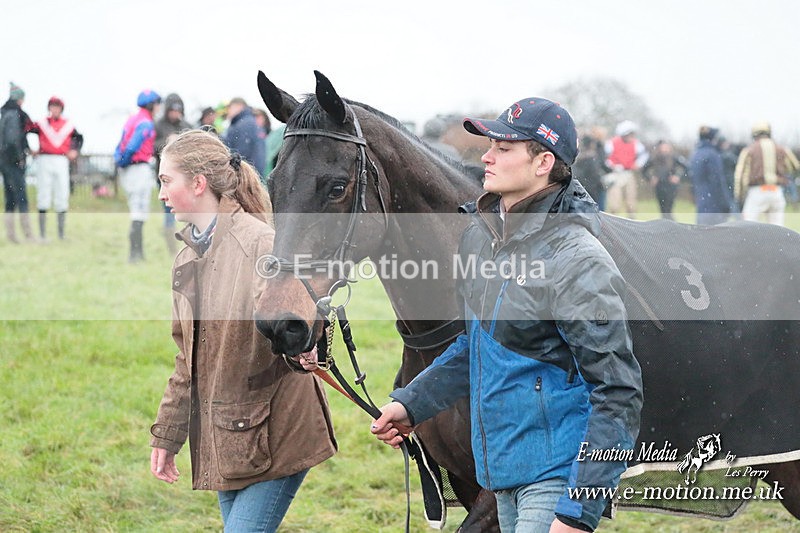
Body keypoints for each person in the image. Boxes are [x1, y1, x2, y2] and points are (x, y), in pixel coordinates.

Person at [371, 98, 643, 532]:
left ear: (544, 162)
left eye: (504, 148)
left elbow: (617, 391)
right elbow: (477, 347)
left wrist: (577, 509)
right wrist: (412, 403)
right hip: (500, 476)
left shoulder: (577, 258)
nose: (486, 156)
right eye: (490, 145)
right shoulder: (480, 241)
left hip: (553, 483)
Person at [149, 129, 336, 532]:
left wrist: (306, 343)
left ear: (198, 183)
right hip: (229, 434)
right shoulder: (186, 258)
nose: (160, 193)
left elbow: (297, 320)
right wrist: (167, 435)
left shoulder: (261, 243)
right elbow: (188, 359)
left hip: (278, 432)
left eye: (166, 181)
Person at [114, 89, 161, 263]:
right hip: (138, 168)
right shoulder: (146, 122)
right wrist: (125, 161)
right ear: (151, 105)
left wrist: (119, 162)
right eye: (156, 103)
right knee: (138, 212)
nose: (158, 107)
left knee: (137, 211)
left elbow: (120, 145)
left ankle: (138, 253)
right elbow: (132, 146)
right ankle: (135, 254)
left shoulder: (132, 119)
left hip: (131, 169)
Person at [28, 96, 83, 240]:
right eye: (53, 106)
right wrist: (30, 149)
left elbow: (78, 138)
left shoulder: (68, 125)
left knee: (62, 193)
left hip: (61, 160)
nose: (55, 109)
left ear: (61, 109)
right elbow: (25, 131)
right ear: (49, 108)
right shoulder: (41, 123)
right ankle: (42, 234)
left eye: (57, 107)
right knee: (43, 193)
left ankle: (61, 234)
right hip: (45, 159)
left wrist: (74, 150)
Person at [734, 121, 800, 226]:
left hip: (757, 191)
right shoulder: (781, 149)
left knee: (747, 227)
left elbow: (740, 176)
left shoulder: (749, 150)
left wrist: (739, 196)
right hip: (776, 191)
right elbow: (795, 166)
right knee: (777, 230)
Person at [155, 93, 192, 254]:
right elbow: (151, 147)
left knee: (189, 211)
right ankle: (171, 249)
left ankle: (190, 244)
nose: (175, 114)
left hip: (185, 177)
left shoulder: (187, 125)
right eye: (173, 110)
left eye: (178, 110)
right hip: (166, 177)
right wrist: (167, 142)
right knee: (168, 212)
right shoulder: (158, 126)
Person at [0, 82, 35, 243]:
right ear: (20, 98)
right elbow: (14, 139)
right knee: (21, 197)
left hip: (4, 161)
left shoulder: (5, 113)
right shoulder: (16, 114)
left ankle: (11, 235)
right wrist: (20, 158)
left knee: (10, 198)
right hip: (13, 161)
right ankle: (28, 235)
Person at [603, 120, 648, 218]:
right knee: (615, 203)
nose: (632, 136)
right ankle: (613, 221)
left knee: (631, 202)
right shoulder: (612, 143)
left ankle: (632, 221)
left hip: (629, 173)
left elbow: (644, 155)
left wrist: (638, 164)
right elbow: (605, 158)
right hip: (615, 174)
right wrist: (612, 165)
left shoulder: (636, 144)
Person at [689, 126, 730, 225]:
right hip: (714, 205)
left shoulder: (695, 154)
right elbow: (718, 181)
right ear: (713, 139)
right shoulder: (713, 155)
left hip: (701, 203)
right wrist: (725, 204)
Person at [642, 140, 688, 220]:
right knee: (662, 209)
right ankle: (665, 224)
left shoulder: (674, 157)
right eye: (662, 147)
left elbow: (686, 167)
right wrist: (651, 178)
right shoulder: (654, 158)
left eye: (666, 147)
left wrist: (678, 177)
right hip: (659, 186)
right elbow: (644, 170)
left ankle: (670, 224)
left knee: (669, 207)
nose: (664, 149)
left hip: (671, 186)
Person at [223, 97, 266, 176]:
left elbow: (239, 155)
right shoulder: (253, 123)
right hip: (255, 174)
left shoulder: (241, 125)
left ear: (239, 106)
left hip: (244, 177)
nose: (228, 111)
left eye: (230, 107)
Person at [572, 127, 608, 211]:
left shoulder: (577, 158)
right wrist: (602, 185)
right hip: (593, 190)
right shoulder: (591, 158)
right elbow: (595, 175)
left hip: (581, 191)